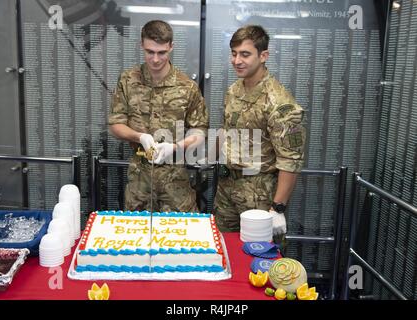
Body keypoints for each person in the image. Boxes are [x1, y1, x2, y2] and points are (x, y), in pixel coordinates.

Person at [213, 25, 306, 244]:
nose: (237, 61)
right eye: (234, 54)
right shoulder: (234, 90)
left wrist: (278, 208)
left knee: (260, 259)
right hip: (227, 186)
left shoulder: (279, 102)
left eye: (245, 54)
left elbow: (291, 159)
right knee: (224, 250)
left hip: (259, 193)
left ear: (263, 56)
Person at [108, 20, 208, 212]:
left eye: (161, 52)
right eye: (149, 52)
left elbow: (200, 131)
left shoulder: (187, 87)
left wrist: (176, 147)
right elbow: (115, 124)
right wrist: (139, 136)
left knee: (181, 234)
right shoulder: (128, 80)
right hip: (139, 177)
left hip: (175, 179)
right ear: (141, 46)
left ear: (171, 47)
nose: (155, 59)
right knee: (136, 233)